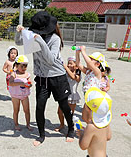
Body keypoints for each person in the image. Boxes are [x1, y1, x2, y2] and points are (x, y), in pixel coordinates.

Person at [15, 11, 74, 146]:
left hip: (57, 76)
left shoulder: (54, 39)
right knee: (40, 106)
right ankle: (41, 134)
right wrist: (19, 32)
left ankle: (70, 128)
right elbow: (18, 42)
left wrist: (39, 40)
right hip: (41, 77)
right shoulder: (33, 36)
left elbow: (51, 60)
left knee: (64, 105)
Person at [76, 87, 112, 157]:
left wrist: (81, 134)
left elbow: (83, 146)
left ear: (87, 108)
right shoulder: (105, 123)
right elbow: (108, 137)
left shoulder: (91, 127)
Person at [76, 47, 105, 123]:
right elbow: (78, 64)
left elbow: (89, 63)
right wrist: (77, 53)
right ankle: (90, 131)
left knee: (90, 118)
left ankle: (92, 132)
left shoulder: (97, 72)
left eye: (91, 59)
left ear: (98, 64)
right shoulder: (88, 71)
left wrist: (83, 51)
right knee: (84, 117)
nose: (88, 61)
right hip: (87, 98)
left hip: (94, 99)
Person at [55, 56, 81, 132]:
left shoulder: (78, 74)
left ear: (76, 66)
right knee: (59, 112)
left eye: (70, 64)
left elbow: (73, 77)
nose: (69, 65)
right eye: (68, 63)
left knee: (70, 114)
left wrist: (65, 67)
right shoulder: (65, 72)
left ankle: (71, 127)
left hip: (73, 95)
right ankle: (62, 125)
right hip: (64, 94)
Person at [8, 55, 32, 131]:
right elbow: (10, 83)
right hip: (15, 95)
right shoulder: (14, 74)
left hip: (24, 95)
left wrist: (29, 85)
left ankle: (28, 124)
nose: (24, 68)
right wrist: (20, 83)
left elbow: (30, 83)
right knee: (16, 110)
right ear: (17, 65)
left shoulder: (27, 74)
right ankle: (16, 124)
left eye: (25, 66)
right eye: (22, 66)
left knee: (27, 110)